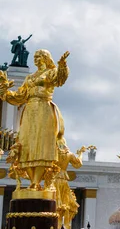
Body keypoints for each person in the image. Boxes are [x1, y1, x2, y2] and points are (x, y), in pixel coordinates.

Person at [0, 49, 69, 190]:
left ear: (45, 58)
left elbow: (60, 79)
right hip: (29, 111)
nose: (36, 59)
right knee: (27, 144)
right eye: (35, 57)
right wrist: (5, 92)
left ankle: (35, 182)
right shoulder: (29, 78)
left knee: (42, 145)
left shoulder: (50, 73)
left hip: (44, 110)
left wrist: (62, 65)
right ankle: (33, 181)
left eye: (39, 57)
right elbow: (20, 96)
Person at [55, 138, 86, 229]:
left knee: (55, 204)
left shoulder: (52, 153)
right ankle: (65, 226)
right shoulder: (69, 154)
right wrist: (81, 153)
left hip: (52, 180)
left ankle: (56, 225)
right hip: (64, 181)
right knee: (65, 205)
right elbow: (78, 164)